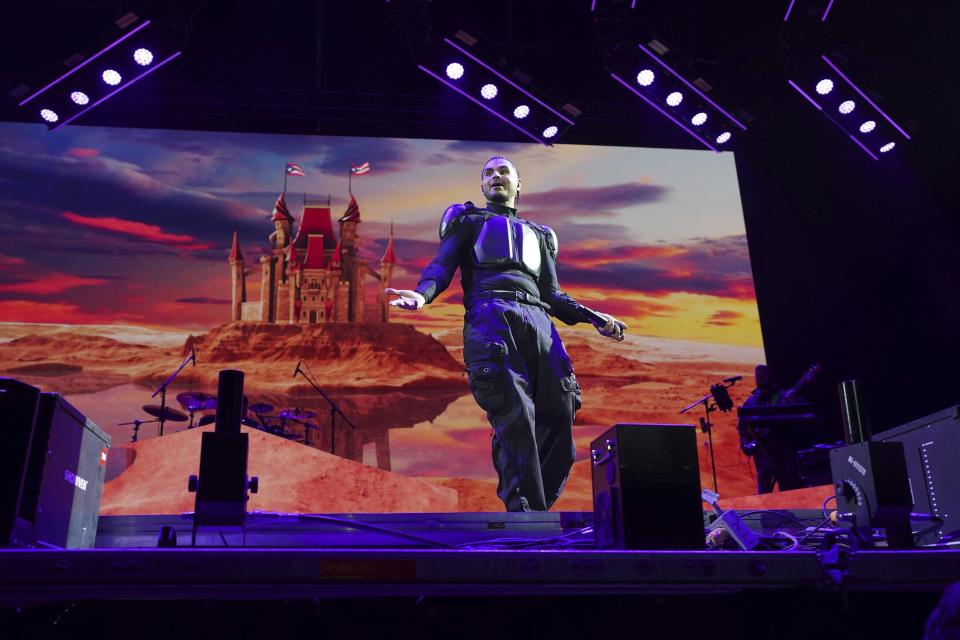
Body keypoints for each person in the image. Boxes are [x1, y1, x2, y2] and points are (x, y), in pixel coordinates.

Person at [387, 156, 627, 512]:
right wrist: (422, 294)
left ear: (518, 185)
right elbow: (442, 265)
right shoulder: (468, 222)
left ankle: (535, 509)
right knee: (515, 414)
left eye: (504, 172)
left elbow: (553, 294)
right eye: (488, 173)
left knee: (561, 410)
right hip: (491, 317)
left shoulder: (541, 235)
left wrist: (592, 316)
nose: (496, 176)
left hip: (539, 321)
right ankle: (524, 513)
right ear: (483, 187)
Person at [738, 364, 805, 494]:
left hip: (783, 450)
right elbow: (743, 427)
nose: (760, 379)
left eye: (763, 376)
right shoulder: (751, 401)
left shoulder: (784, 396)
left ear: (770, 376)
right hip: (762, 454)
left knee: (789, 490)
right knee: (764, 492)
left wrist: (795, 400)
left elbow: (802, 415)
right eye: (757, 376)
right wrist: (746, 444)